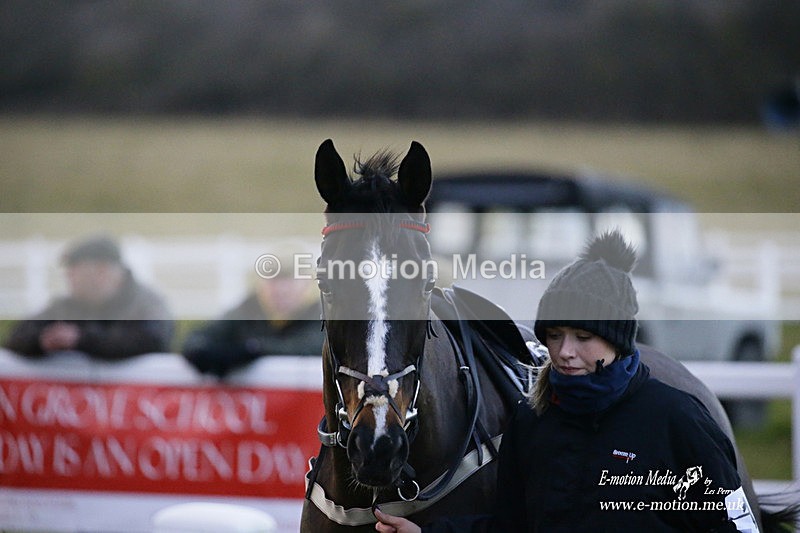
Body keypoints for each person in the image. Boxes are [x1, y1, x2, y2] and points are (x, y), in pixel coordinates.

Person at [374, 231, 757, 532]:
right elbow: (510, 528)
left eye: (583, 337)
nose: (565, 351)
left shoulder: (679, 419)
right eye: (554, 335)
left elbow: (735, 526)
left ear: (619, 340)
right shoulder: (532, 421)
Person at [4, 235, 174, 360]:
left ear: (102, 270)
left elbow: (150, 341)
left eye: (74, 271)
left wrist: (80, 339)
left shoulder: (147, 304)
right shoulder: (68, 305)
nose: (69, 278)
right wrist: (41, 341)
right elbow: (17, 337)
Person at [182, 268, 323, 377]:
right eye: (273, 281)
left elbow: (314, 346)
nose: (281, 290)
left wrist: (253, 349)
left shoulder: (324, 315)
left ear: (307, 285)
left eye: (290, 281)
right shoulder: (247, 310)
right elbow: (197, 339)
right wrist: (203, 352)